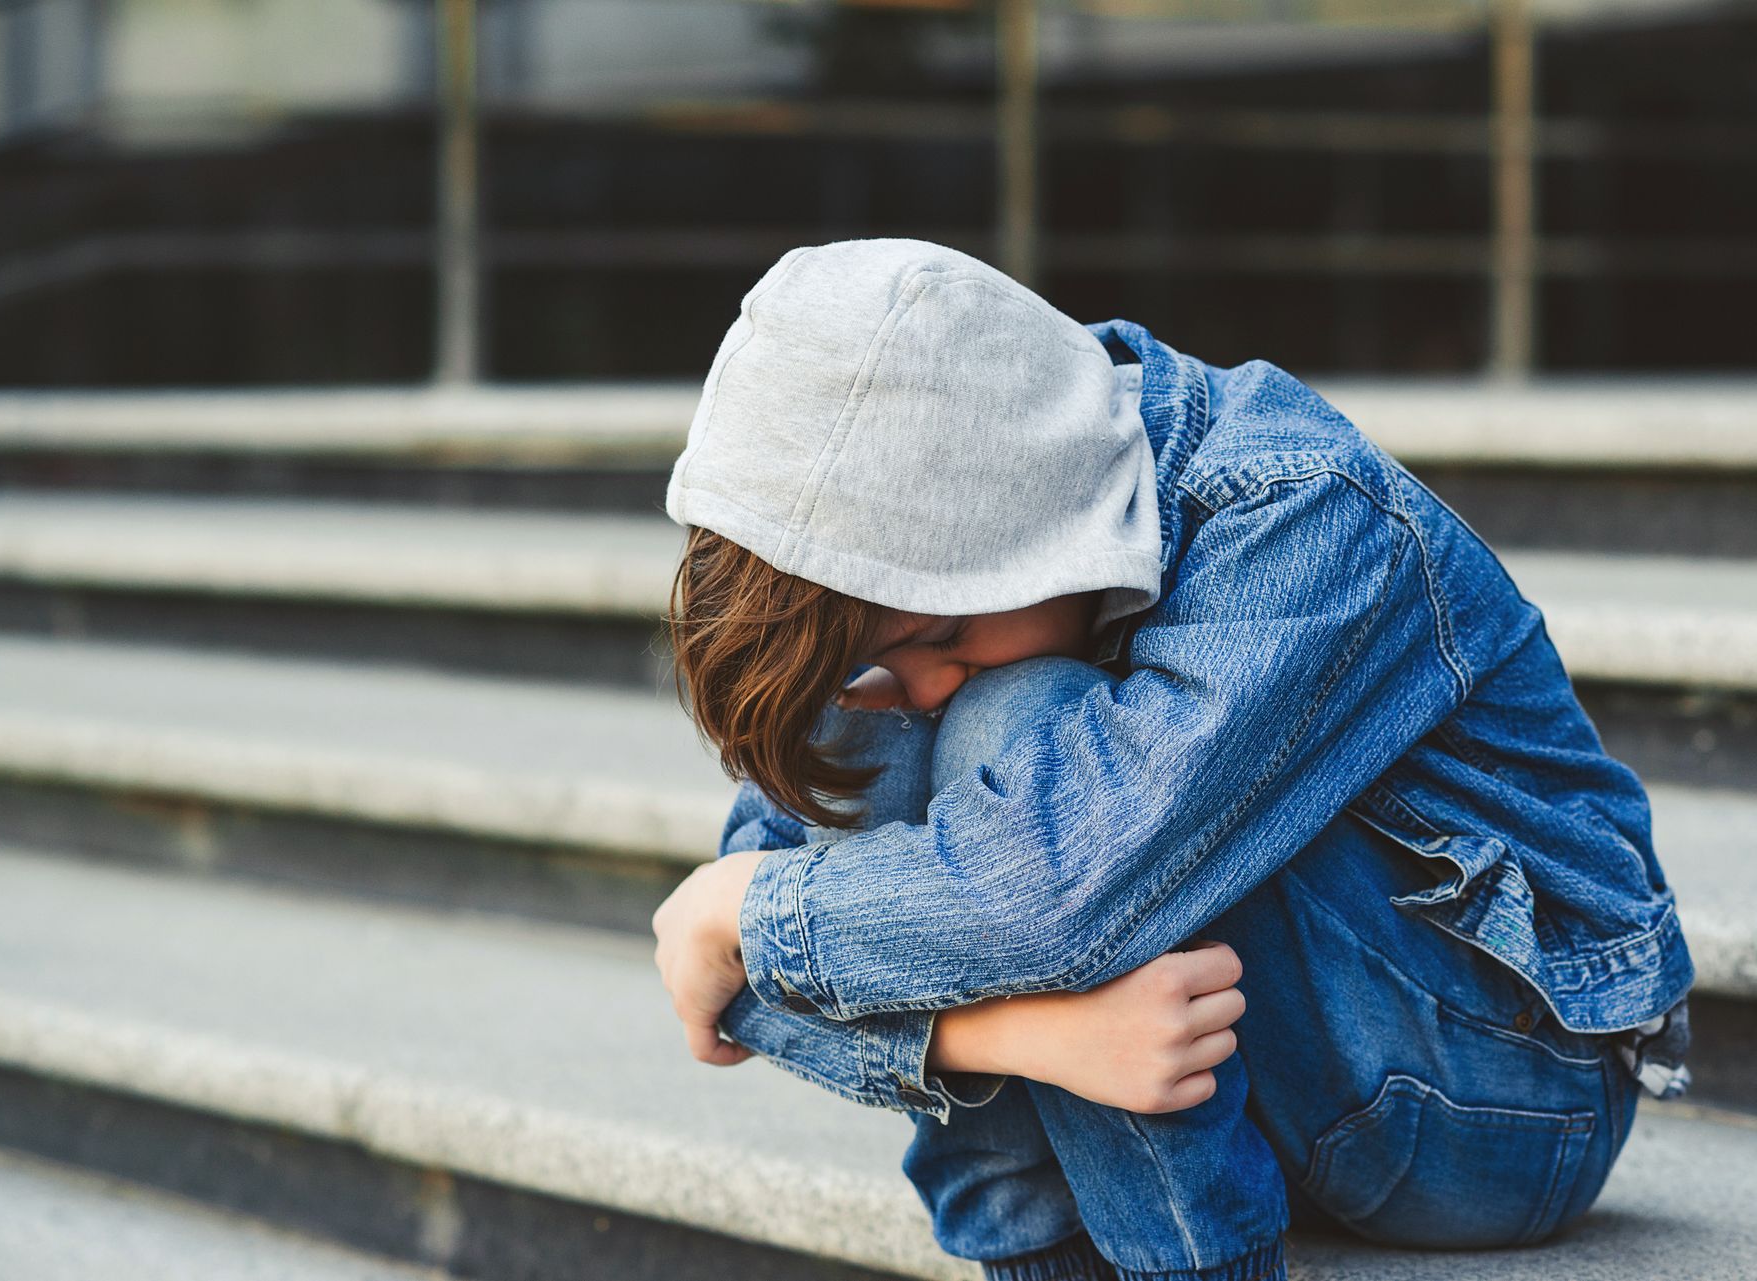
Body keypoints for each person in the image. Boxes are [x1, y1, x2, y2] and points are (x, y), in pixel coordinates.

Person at [649, 238, 1691, 1281]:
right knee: (931, 796)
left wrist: (746, 912)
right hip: (1253, 1077)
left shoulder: (1304, 511)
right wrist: (1019, 1037)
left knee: (1019, 730)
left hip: (1499, 1093)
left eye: (939, 642)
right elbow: (746, 989)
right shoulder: (892, 617)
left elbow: (1037, 903)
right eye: (884, 667)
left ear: (1033, 530)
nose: (919, 686)